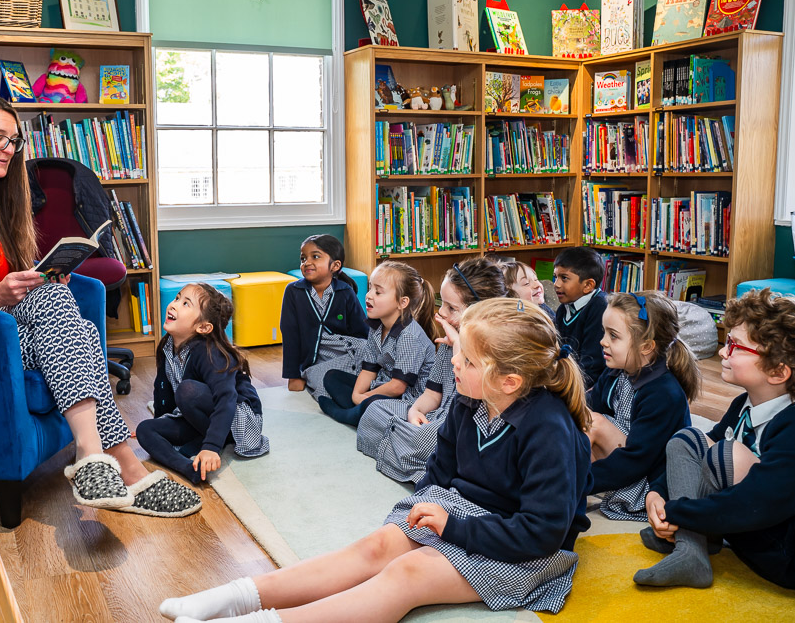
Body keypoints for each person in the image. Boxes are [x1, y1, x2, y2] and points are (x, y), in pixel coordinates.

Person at [159, 298, 593, 622]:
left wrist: (451, 528)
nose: (452, 364)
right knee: (376, 546)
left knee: (406, 576)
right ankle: (235, 597)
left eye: (465, 359)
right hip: (464, 513)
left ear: (510, 380)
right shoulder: (470, 399)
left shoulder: (548, 429)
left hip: (526, 546)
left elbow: (540, 532)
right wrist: (424, 517)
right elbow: (439, 475)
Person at [0, 92, 200, 517]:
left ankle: (106, 464)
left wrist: (40, 278)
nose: (8, 150)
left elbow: (11, 285)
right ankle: (117, 464)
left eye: (14, 141)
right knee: (74, 327)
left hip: (1, 334)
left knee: (65, 314)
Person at [635, 289, 795, 604]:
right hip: (746, 527)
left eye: (734, 346)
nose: (723, 353)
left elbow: (758, 503)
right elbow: (695, 450)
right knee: (688, 437)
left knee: (725, 453)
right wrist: (658, 493)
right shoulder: (745, 403)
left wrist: (677, 512)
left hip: (784, 553)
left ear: (778, 371)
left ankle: (692, 541)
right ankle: (692, 549)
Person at [356, 257, 507, 483]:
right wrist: (415, 411)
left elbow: (469, 408)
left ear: (480, 311)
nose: (441, 313)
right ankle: (407, 445)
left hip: (465, 423)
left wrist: (459, 347)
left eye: (451, 308)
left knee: (426, 440)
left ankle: (408, 450)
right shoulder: (448, 340)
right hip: (437, 416)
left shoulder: (493, 349)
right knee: (374, 412)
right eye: (441, 302)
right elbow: (432, 393)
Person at [136, 283, 269, 485]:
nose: (174, 305)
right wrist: (160, 421)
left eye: (185, 303)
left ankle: (217, 440)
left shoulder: (210, 353)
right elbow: (162, 389)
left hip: (235, 417)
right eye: (177, 298)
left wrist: (211, 447)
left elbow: (227, 400)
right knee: (145, 429)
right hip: (197, 415)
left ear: (203, 327)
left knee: (187, 390)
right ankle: (189, 469)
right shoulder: (167, 345)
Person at [586, 292, 699, 521]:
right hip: (623, 456)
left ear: (646, 347)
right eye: (604, 332)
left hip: (648, 477)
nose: (603, 341)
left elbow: (637, 459)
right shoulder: (616, 371)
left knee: (592, 423)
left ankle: (563, 484)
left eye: (614, 336)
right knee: (578, 415)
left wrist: (582, 481)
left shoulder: (663, 393)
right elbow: (588, 403)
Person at [316, 261, 437, 426]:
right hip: (383, 385)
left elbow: (397, 387)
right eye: (370, 288)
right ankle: (358, 409)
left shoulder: (410, 336)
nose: (369, 295)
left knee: (373, 403)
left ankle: (346, 414)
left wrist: (366, 397)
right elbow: (368, 369)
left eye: (378, 292)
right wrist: (357, 395)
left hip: (409, 399)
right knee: (332, 377)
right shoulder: (376, 326)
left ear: (402, 303)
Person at [279, 234, 369, 396]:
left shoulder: (345, 291)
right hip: (314, 358)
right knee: (325, 383)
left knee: (367, 357)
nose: (307, 262)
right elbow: (290, 334)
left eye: (315, 256)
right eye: (303, 258)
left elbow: (361, 329)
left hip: (344, 350)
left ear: (335, 265)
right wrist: (293, 375)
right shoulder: (293, 292)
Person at [553, 247, 608, 384]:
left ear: (588, 285)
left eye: (564, 278)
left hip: (587, 387)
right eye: (556, 277)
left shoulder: (600, 308)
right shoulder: (563, 309)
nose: (556, 284)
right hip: (568, 379)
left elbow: (592, 366)